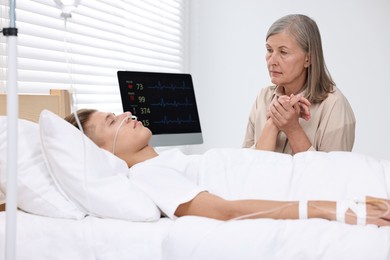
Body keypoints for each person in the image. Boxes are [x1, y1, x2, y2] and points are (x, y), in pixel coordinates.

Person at [64, 109, 390, 226]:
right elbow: (225, 211)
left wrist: (274, 123)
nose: (125, 114)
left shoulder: (168, 161)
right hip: (323, 186)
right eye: (112, 121)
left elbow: (251, 168)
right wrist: (328, 209)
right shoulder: (148, 175)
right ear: (102, 153)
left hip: (323, 171)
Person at [243, 14, 356, 154]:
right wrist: (272, 124)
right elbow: (246, 167)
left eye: (283, 52)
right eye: (269, 50)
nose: (272, 61)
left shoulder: (334, 105)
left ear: (308, 59)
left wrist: (293, 129)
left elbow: (330, 174)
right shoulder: (263, 97)